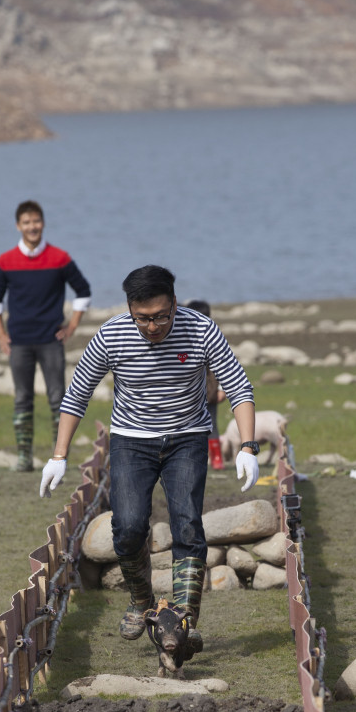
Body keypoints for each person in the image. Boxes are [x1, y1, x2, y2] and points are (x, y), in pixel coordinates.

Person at [38, 265, 260, 652]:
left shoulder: (201, 330)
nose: (152, 326)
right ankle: (141, 601)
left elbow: (238, 385)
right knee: (127, 528)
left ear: (174, 303)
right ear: (129, 308)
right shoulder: (111, 334)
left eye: (160, 316)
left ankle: (184, 619)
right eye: (143, 318)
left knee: (188, 526)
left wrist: (247, 445)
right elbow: (77, 394)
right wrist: (58, 456)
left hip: (187, 438)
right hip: (131, 441)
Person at [0, 199, 92, 472]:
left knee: (59, 398)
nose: (32, 227)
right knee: (22, 398)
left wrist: (72, 327)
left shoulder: (60, 258)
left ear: (43, 223)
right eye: (26, 222)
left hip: (51, 341)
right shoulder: (5, 261)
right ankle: (24, 457)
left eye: (36, 221)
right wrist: (0, 332)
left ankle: (60, 456)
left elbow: (83, 291)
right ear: (18, 226)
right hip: (19, 341)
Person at [186, 298, 227, 468]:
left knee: (212, 425)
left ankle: (217, 459)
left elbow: (223, 367)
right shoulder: (182, 339)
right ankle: (194, 459)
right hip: (188, 394)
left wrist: (222, 389)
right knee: (188, 426)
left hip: (209, 393)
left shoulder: (213, 339)